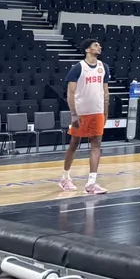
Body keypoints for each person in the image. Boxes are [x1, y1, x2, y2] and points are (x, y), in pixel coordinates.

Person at [58, 38, 110, 194]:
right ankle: (65, 177)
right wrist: (73, 114)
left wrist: (106, 111)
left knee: (96, 145)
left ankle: (91, 183)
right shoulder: (78, 68)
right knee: (74, 143)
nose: (99, 46)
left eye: (99, 44)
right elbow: (71, 93)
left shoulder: (104, 67)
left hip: (97, 112)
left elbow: (105, 92)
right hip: (81, 113)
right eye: (95, 45)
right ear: (87, 50)